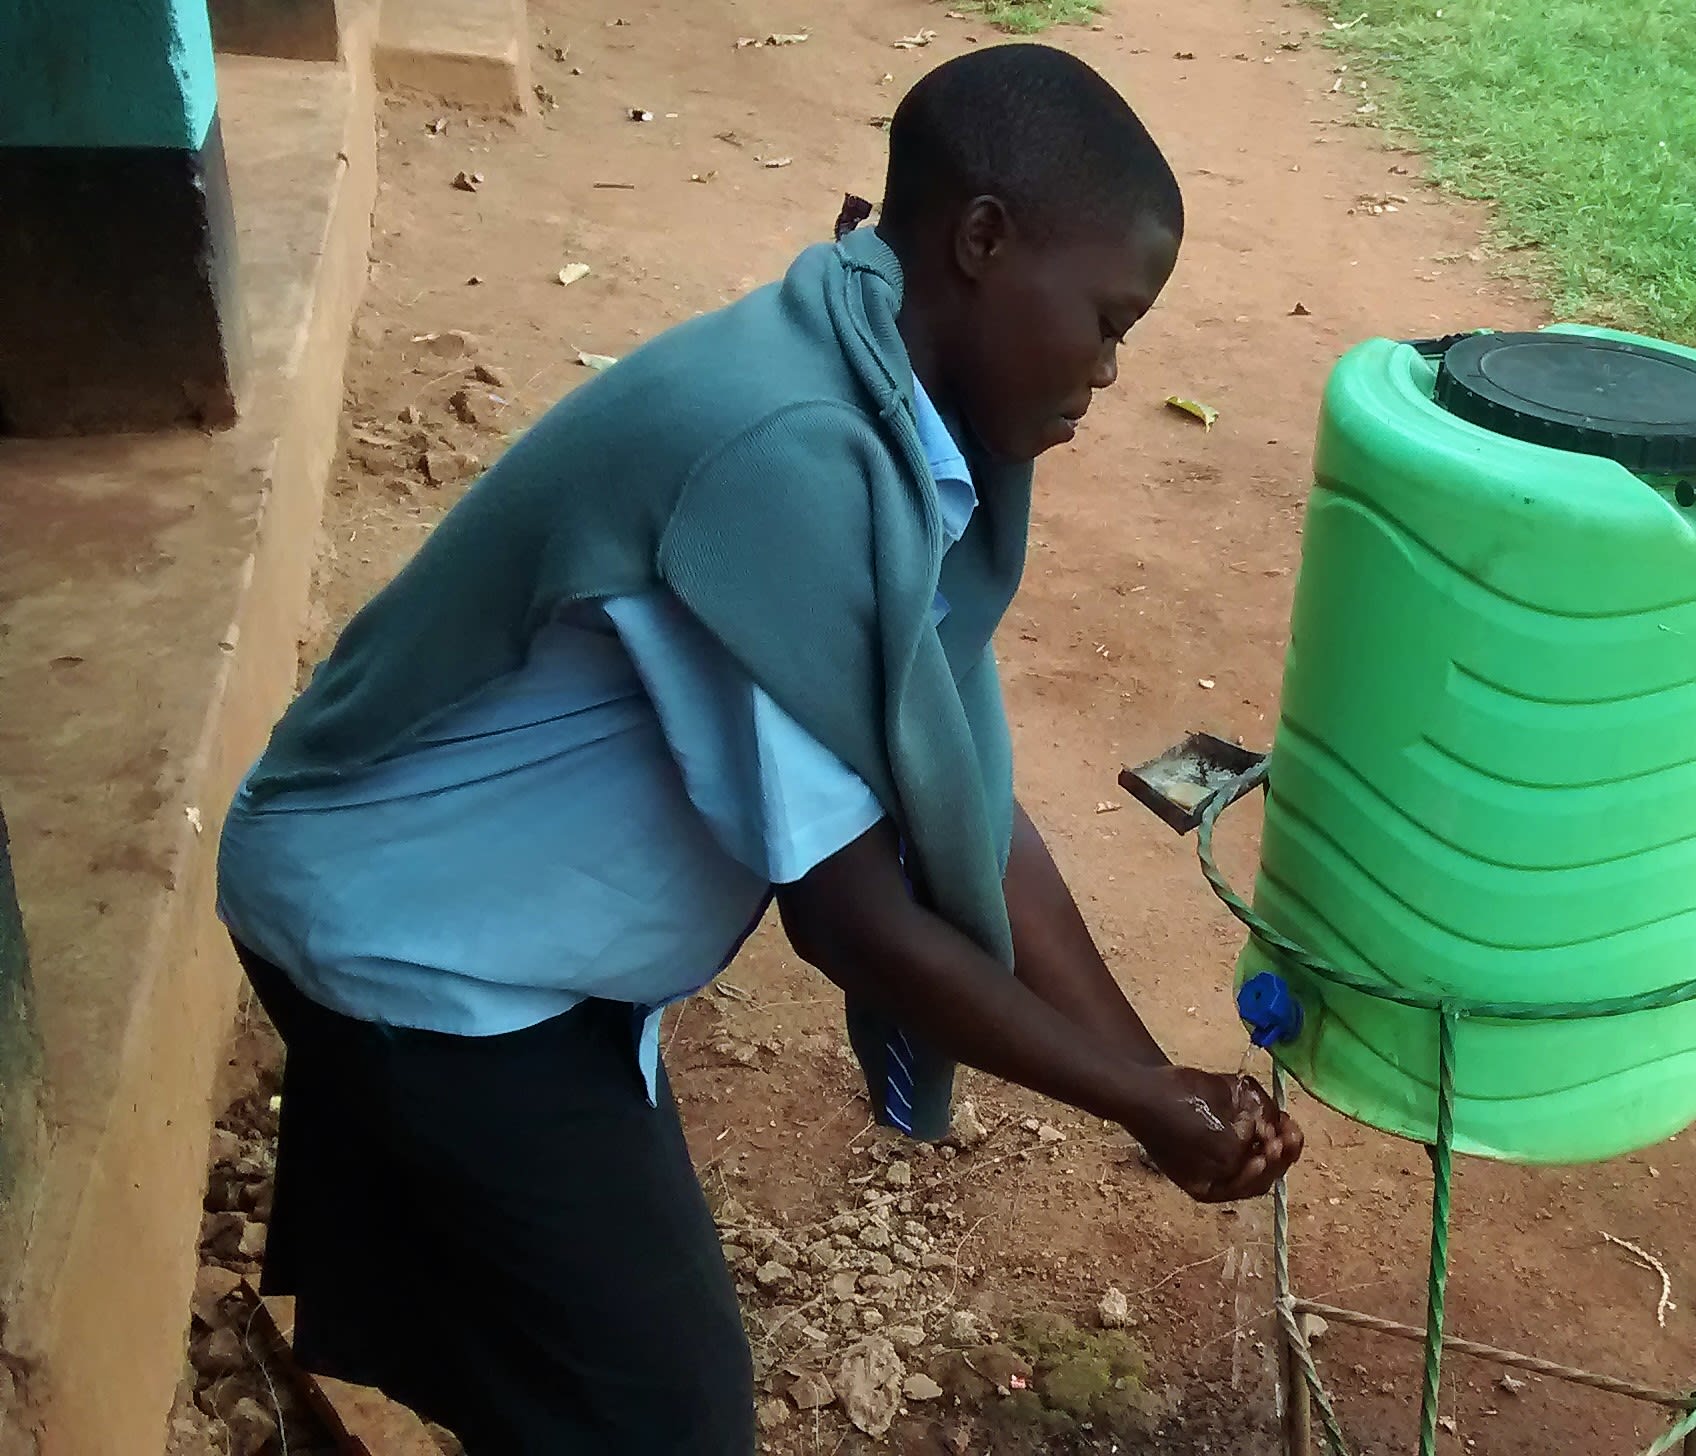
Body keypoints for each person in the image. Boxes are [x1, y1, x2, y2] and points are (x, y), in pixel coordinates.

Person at [213, 44, 1302, 1453]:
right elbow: (851, 917)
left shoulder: (878, 404)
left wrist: (1167, 1082)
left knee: (549, 1345)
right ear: (981, 240)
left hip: (487, 930)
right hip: (415, 951)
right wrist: (1140, 1101)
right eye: (1105, 320)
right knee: (667, 1412)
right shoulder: (783, 461)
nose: (1109, 369)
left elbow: (972, 809)